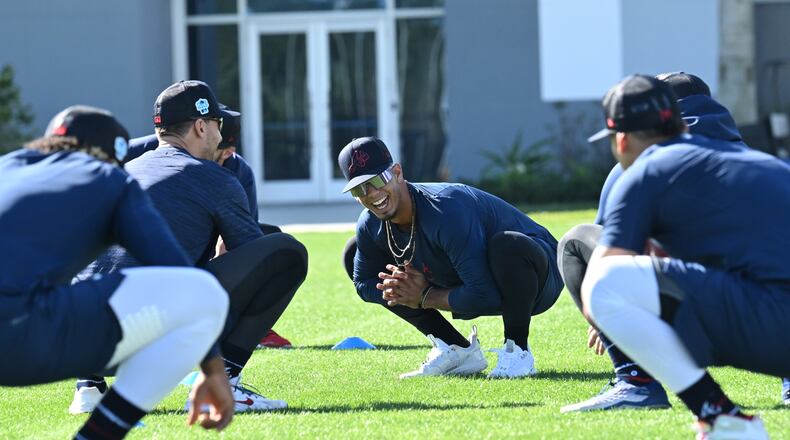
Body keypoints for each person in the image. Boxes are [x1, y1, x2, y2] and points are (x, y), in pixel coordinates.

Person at [70, 81, 308, 414]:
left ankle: (89, 386)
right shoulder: (215, 177)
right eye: (217, 124)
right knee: (285, 252)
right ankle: (222, 382)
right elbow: (255, 256)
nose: (219, 134)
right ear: (200, 126)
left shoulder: (118, 172)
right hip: (141, 339)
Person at [559, 72, 790, 412]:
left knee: (601, 273)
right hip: (765, 320)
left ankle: (687, 401)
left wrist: (615, 317)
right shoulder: (764, 161)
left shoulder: (642, 171)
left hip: (764, 328)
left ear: (621, 140)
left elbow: (604, 283)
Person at [0, 105, 233, 439]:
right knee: (204, 293)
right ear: (114, 155)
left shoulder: (7, 165)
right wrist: (212, 371)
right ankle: (97, 434)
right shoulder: (109, 177)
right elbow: (177, 272)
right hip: (19, 334)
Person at [339, 137, 564, 379]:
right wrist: (404, 289)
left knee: (507, 246)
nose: (372, 194)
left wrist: (423, 296)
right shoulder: (370, 224)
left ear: (397, 172)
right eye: (359, 189)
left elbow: (483, 295)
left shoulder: (445, 208)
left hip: (536, 274)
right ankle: (457, 349)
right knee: (357, 254)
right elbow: (363, 283)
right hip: (467, 277)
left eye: (377, 180)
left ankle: (517, 351)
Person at [127, 105, 292, 349]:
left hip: (190, 256)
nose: (228, 154)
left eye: (231, 150)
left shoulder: (236, 171)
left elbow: (247, 244)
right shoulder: (142, 151)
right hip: (140, 267)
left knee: (274, 244)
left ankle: (238, 328)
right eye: (222, 148)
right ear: (201, 131)